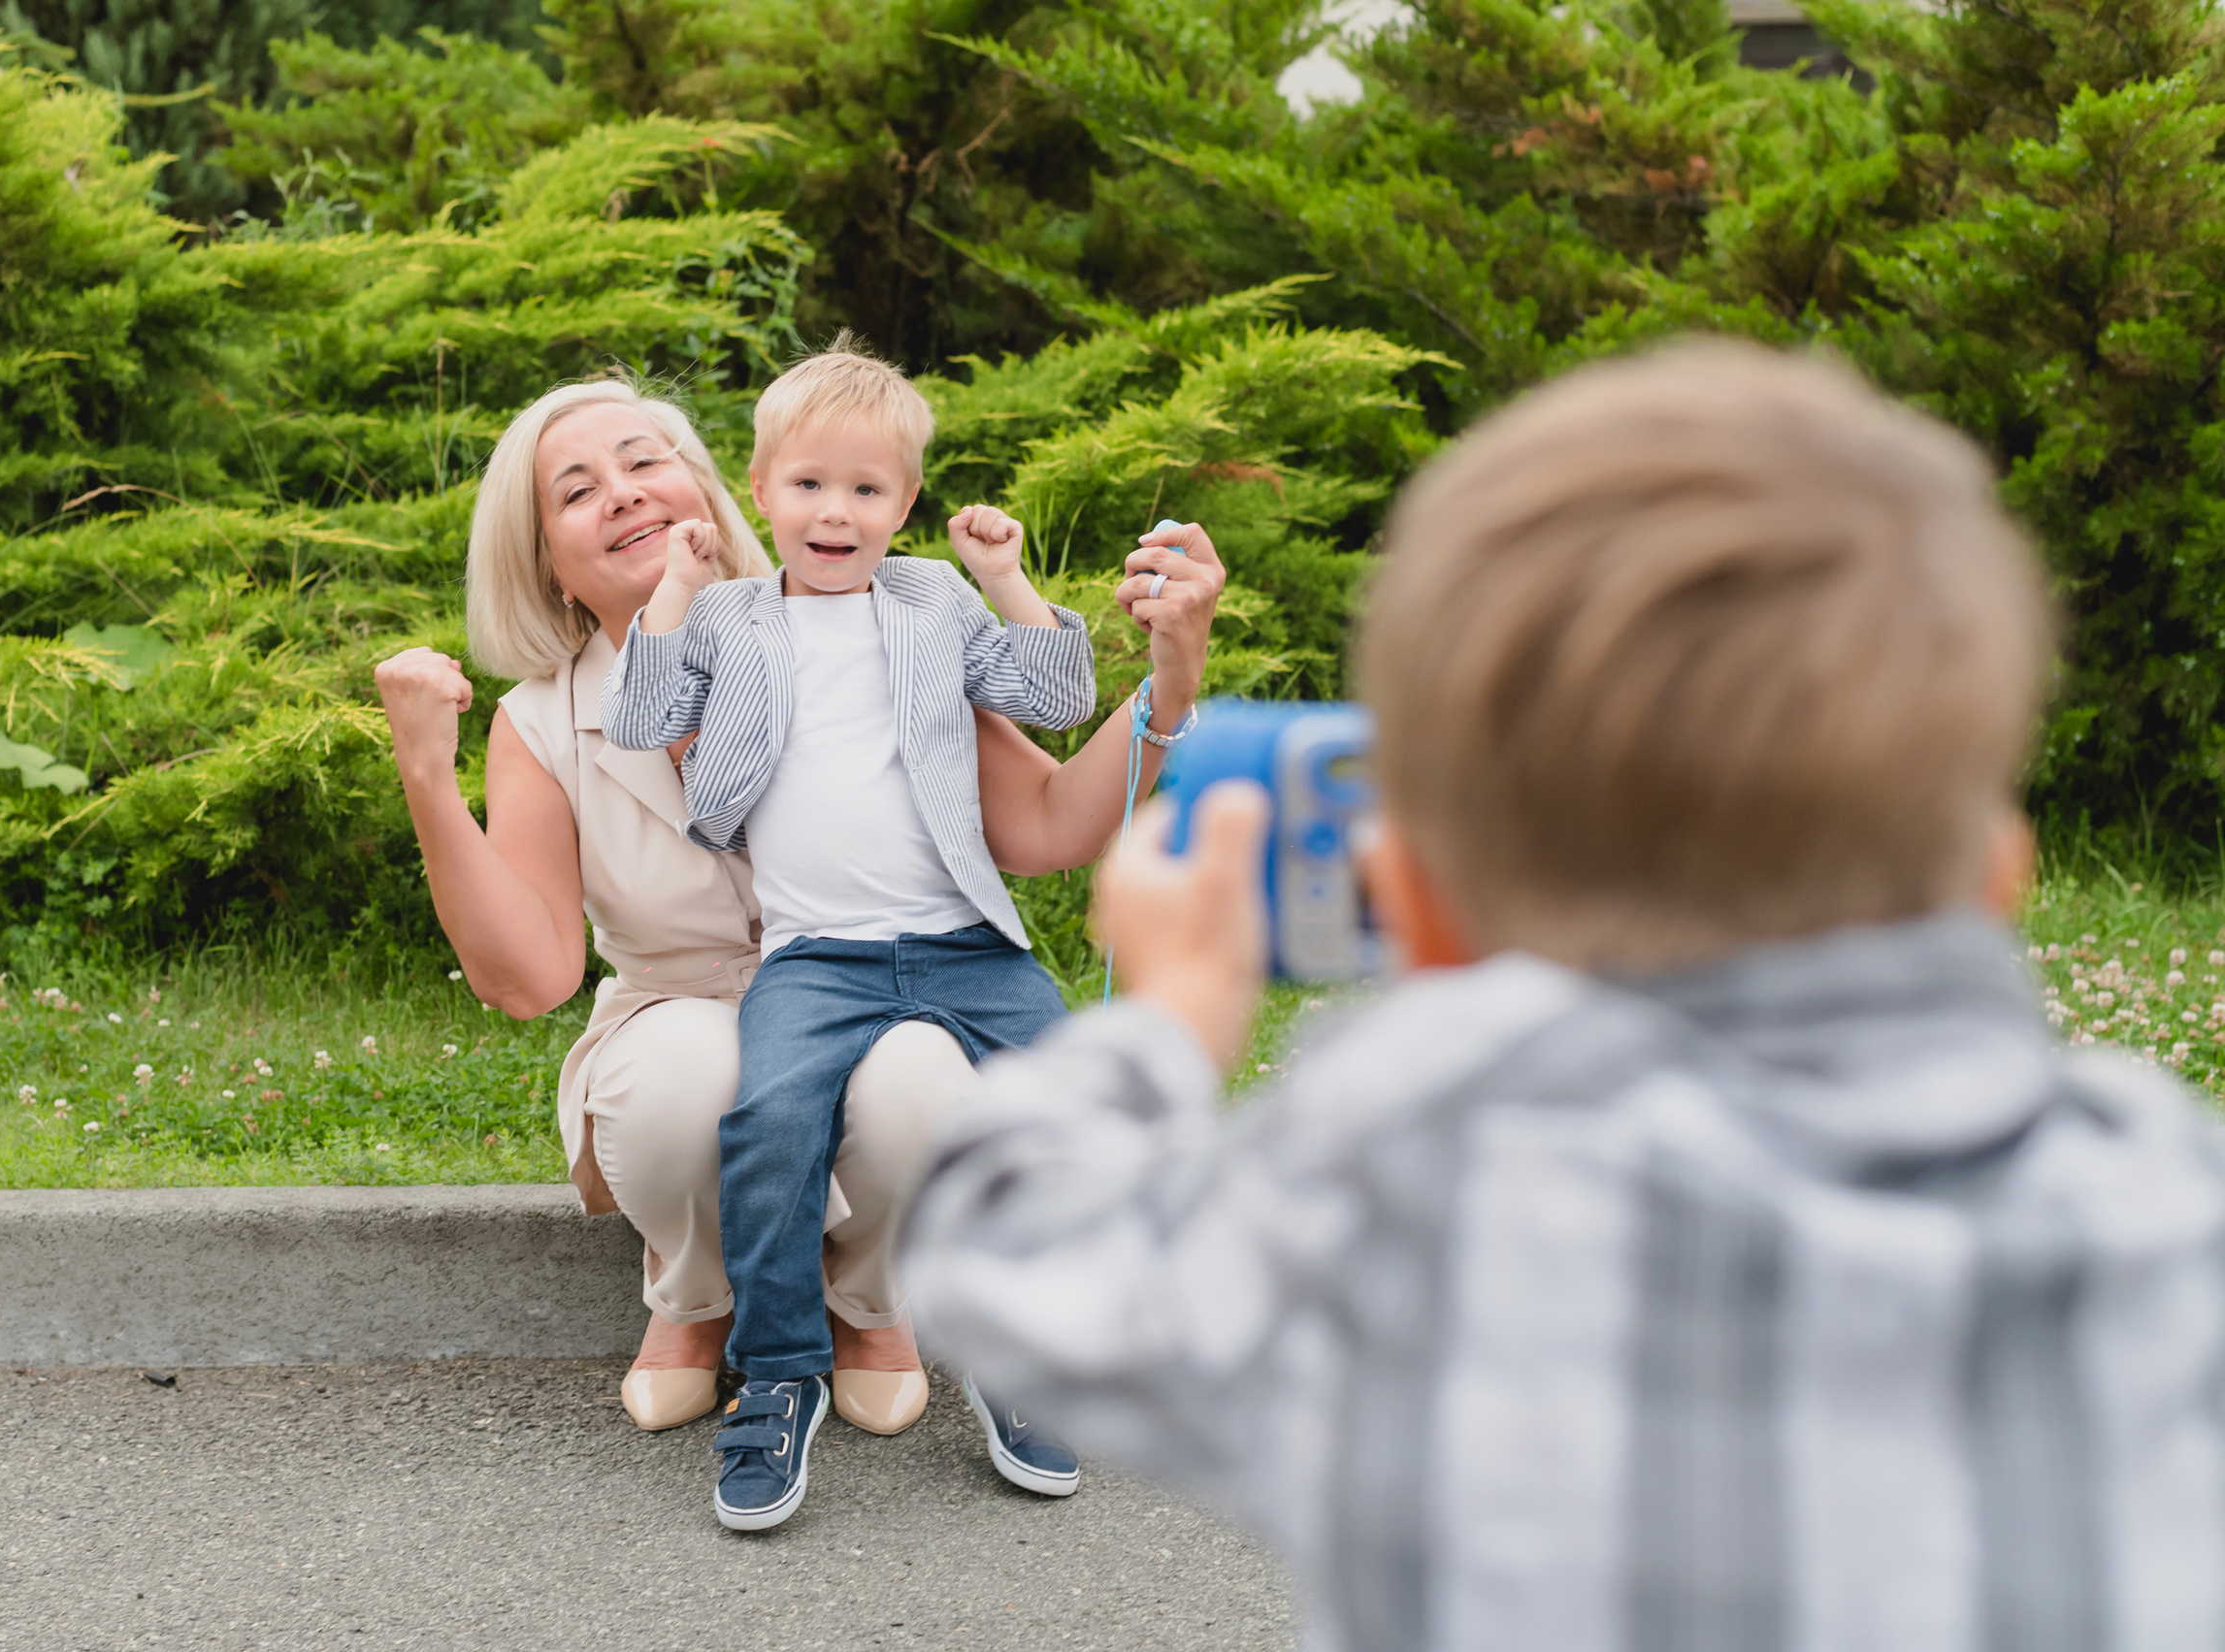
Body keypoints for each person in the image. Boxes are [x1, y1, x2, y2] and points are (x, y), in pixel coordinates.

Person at [901, 341, 2225, 1649]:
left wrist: (1174, 1012)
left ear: (1415, 901)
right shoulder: (2170, 1192)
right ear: (2001, 876)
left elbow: (995, 1246)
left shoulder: (1410, 1179)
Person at [372, 376, 1221, 1460]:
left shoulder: (877, 630)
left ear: (713, 485)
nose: (624, 495)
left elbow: (1054, 821)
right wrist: (426, 778)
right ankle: (701, 1292)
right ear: (544, 556)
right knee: (694, 1064)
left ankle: (869, 1299)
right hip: (680, 1017)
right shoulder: (542, 717)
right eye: (578, 489)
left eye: (644, 460)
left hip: (878, 982)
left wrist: (1171, 683)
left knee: (923, 1072)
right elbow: (527, 978)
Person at [602, 345, 1108, 1531]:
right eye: (810, 485)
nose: (838, 511)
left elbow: (1058, 694)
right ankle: (781, 1373)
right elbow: (639, 715)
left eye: (868, 490)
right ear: (763, 489)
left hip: (962, 938)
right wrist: (672, 592)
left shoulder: (932, 597)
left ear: (905, 505)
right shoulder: (727, 613)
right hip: (815, 955)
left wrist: (1006, 575)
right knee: (770, 1122)